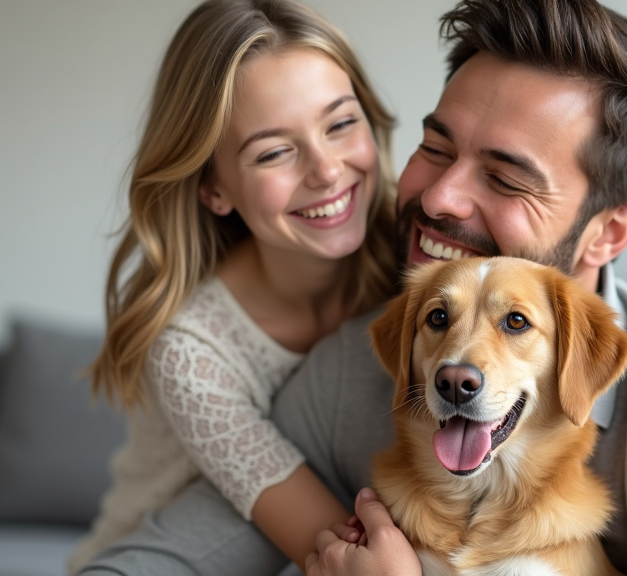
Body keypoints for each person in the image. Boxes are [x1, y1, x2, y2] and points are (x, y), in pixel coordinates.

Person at [78, 0, 627, 574]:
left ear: (608, 233)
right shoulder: (358, 366)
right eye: (437, 148)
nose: (439, 197)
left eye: (504, 177)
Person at [65, 0, 400, 573]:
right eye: (274, 152)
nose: (325, 170)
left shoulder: (412, 260)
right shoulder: (190, 350)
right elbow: (335, 547)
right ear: (213, 188)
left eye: (341, 123)